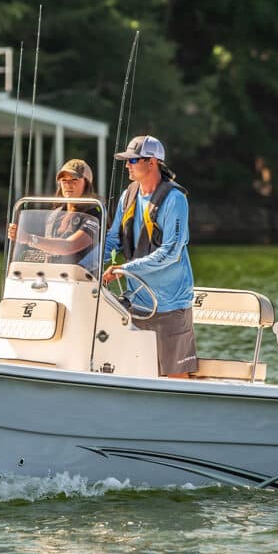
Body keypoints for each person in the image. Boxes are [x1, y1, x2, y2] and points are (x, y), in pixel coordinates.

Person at [102, 135, 197, 378]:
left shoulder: (175, 199)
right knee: (136, 374)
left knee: (176, 379)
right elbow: (113, 240)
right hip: (137, 306)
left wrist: (125, 269)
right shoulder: (128, 195)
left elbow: (171, 252)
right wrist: (84, 264)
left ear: (152, 162)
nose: (127, 166)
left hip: (170, 307)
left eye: (133, 160)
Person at [8, 159, 102, 269]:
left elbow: (70, 246)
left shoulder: (94, 214)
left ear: (86, 184)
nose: (68, 184)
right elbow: (49, 250)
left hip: (83, 278)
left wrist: (28, 238)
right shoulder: (55, 215)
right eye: (64, 180)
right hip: (54, 277)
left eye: (74, 179)